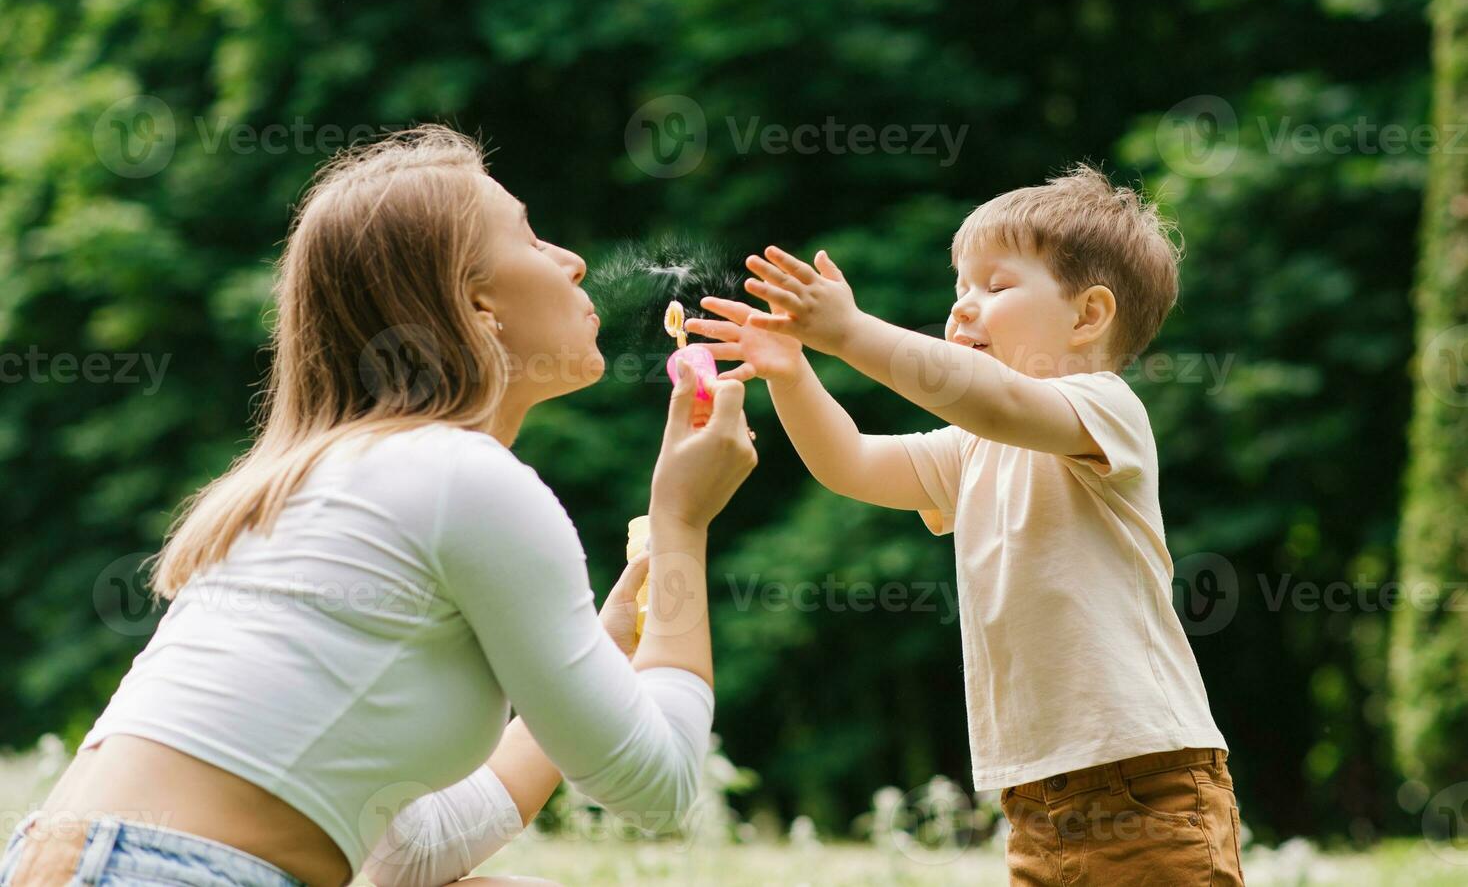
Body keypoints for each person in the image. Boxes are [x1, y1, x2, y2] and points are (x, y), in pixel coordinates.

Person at [0, 126, 757, 887]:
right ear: (476, 304)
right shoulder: (463, 478)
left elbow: (408, 853)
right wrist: (681, 524)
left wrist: (597, 658)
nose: (573, 261)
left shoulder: (324, 485)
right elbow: (662, 789)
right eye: (531, 239)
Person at [692, 166, 1244, 885]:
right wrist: (792, 375)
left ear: (1089, 316)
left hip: (1146, 783)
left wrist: (851, 332)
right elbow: (851, 463)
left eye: (996, 286)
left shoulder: (1107, 409)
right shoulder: (975, 449)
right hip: (1036, 800)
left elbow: (996, 401)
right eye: (959, 289)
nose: (961, 308)